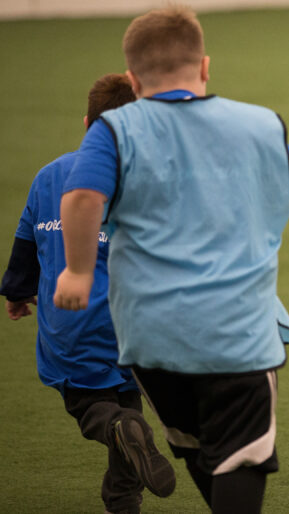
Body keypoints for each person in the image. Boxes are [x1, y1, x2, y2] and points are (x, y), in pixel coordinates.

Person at [52, 7, 289, 513]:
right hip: (237, 333)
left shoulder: (114, 129)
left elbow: (82, 196)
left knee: (196, 444)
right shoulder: (260, 123)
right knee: (241, 458)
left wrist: (78, 270)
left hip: (151, 338)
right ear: (205, 66)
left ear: (132, 76)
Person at [0, 73, 175, 514]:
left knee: (92, 407)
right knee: (126, 402)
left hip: (68, 321)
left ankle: (119, 440)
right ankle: (123, 497)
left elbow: (25, 242)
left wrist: (17, 292)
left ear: (86, 124)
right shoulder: (143, 183)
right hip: (130, 327)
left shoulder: (48, 177)